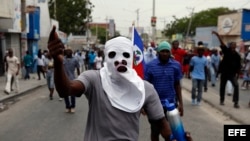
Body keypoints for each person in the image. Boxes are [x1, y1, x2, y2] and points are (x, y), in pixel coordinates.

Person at [47, 26, 193, 141]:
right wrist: (59, 63)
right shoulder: (94, 79)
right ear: (105, 58)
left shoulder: (145, 89)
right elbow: (66, 90)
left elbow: (161, 124)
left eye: (125, 55)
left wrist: (176, 138)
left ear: (132, 59)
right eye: (112, 55)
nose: (120, 60)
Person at [144, 41, 184, 141]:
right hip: (154, 105)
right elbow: (145, 86)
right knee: (155, 131)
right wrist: (143, 105)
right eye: (162, 51)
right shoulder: (150, 66)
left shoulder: (176, 65)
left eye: (167, 51)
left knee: (170, 133)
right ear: (158, 52)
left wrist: (181, 103)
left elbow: (177, 85)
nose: (165, 53)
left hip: (171, 105)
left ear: (170, 52)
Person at [212, 31, 241, 108]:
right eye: (232, 45)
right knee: (222, 86)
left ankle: (236, 102)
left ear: (235, 46)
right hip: (224, 72)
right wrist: (217, 35)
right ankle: (222, 99)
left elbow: (239, 65)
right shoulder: (226, 51)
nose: (233, 46)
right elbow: (222, 43)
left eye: (234, 45)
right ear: (230, 46)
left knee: (236, 85)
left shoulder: (237, 55)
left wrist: (238, 74)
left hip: (232, 73)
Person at [62, 46, 80, 113]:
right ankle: (67, 106)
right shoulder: (63, 59)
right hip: (64, 79)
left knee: (72, 93)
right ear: (65, 53)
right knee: (65, 94)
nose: (68, 52)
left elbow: (78, 68)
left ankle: (73, 106)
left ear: (71, 53)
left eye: (69, 51)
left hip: (72, 79)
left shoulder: (75, 59)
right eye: (67, 51)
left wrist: (79, 77)